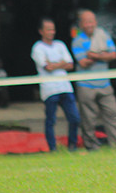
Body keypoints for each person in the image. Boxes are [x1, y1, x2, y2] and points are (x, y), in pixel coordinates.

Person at [71, 9, 116, 150]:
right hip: (86, 85)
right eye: (86, 22)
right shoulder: (77, 40)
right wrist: (102, 54)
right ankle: (91, 146)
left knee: (113, 113)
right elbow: (83, 62)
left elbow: (113, 55)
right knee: (88, 118)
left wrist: (94, 55)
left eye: (91, 21)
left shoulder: (103, 34)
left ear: (95, 22)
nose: (90, 24)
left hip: (104, 84)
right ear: (81, 24)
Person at [31, 17, 80, 152]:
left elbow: (70, 64)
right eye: (48, 29)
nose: (52, 32)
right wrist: (61, 63)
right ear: (41, 31)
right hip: (49, 89)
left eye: (53, 29)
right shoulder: (37, 48)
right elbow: (47, 67)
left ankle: (72, 146)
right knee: (51, 120)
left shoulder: (60, 45)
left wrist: (55, 64)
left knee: (75, 118)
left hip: (65, 87)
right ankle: (52, 148)